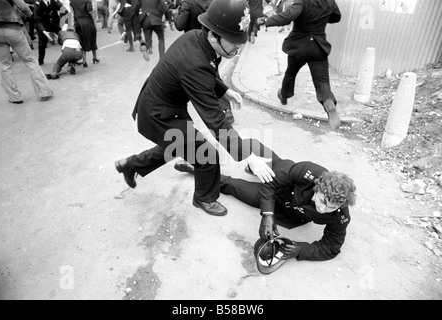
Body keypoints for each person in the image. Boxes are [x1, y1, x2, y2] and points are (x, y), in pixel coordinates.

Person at [115, 0, 275, 217]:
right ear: (212, 36)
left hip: (165, 107)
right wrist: (249, 157)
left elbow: (209, 70)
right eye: (233, 41)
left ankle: (130, 165)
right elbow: (215, 120)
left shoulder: (195, 37)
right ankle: (205, 199)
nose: (238, 47)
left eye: (240, 41)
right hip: (158, 115)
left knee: (176, 145)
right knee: (205, 153)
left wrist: (224, 90)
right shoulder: (195, 63)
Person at [174, 139, 357, 261]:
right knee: (250, 145)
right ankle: (253, 167)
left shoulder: (341, 215)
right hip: (280, 179)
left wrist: (301, 250)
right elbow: (270, 184)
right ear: (317, 188)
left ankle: (195, 169)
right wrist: (266, 215)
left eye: (332, 207)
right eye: (323, 201)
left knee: (233, 186)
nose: (324, 210)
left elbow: (331, 247)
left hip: (285, 209)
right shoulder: (307, 171)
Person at [256, 0, 342, 130]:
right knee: (322, 82)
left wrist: (266, 21)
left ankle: (284, 95)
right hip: (318, 47)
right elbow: (337, 17)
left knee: (290, 74)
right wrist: (321, 18)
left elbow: (289, 16)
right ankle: (328, 101)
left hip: (299, 46)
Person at [0, 0, 53, 103]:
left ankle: (15, 97)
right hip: (13, 28)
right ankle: (44, 92)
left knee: (4, 65)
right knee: (30, 60)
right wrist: (30, 15)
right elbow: (22, 6)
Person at [70, 0, 99, 66]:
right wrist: (94, 8)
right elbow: (90, 10)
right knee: (92, 39)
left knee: (82, 41)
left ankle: (84, 61)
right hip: (88, 21)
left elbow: (71, 11)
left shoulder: (72, 1)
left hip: (78, 22)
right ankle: (94, 57)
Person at [34, 0, 63, 65]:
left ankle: (71, 59)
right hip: (42, 25)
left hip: (53, 24)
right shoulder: (38, 4)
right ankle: (40, 60)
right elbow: (38, 20)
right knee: (42, 44)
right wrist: (44, 31)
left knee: (64, 37)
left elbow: (61, 8)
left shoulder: (53, 1)